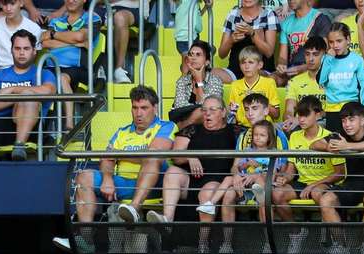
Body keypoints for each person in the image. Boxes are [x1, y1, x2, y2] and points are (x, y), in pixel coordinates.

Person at [72, 85, 174, 235]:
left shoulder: (166, 126)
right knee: (83, 177)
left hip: (156, 185)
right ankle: (85, 239)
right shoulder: (122, 132)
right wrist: (107, 179)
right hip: (125, 183)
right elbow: (106, 158)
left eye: (144, 108)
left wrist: (117, 153)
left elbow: (153, 153)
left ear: (155, 108)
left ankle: (134, 207)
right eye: (135, 108)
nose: (139, 113)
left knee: (151, 158)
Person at [0, 29, 56, 162]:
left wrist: (12, 90)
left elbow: (49, 91)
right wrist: (16, 98)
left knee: (28, 95)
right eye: (17, 48)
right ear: (11, 50)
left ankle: (19, 146)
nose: (22, 52)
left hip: (31, 126)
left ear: (34, 51)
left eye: (26, 48)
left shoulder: (44, 73)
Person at [150, 95, 239, 225]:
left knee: (208, 190)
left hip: (217, 180)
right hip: (191, 179)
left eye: (212, 110)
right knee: (172, 171)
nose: (207, 113)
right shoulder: (192, 129)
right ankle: (166, 220)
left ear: (223, 112)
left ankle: (203, 243)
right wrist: (190, 157)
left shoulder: (235, 131)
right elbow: (176, 155)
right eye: (204, 110)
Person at [273, 96, 346, 230]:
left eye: (306, 115)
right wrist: (285, 178)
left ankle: (336, 241)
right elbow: (291, 168)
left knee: (317, 192)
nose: (301, 119)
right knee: (277, 193)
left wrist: (313, 185)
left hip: (325, 183)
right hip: (303, 182)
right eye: (299, 115)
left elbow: (340, 173)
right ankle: (297, 233)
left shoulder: (331, 136)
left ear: (318, 115)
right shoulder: (294, 136)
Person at [314, 101, 364, 253]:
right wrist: (327, 147)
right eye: (344, 120)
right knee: (326, 200)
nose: (347, 124)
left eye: (351, 119)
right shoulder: (339, 135)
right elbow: (314, 144)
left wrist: (346, 146)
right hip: (352, 183)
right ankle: (340, 246)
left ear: (362, 120)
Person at [41, 0, 100, 129]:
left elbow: (80, 36)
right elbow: (45, 42)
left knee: (62, 78)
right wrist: (74, 43)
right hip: (51, 66)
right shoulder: (56, 21)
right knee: (44, 80)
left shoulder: (92, 18)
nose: (71, 1)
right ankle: (43, 129)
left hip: (78, 67)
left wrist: (54, 35)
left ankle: (69, 124)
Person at [320, 22, 364, 133]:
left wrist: (362, 112)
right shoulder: (327, 59)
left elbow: (363, 88)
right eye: (331, 42)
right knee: (335, 146)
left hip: (352, 110)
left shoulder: (357, 60)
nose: (335, 46)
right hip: (332, 111)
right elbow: (321, 81)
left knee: (352, 146)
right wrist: (328, 59)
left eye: (339, 41)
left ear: (348, 39)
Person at [216, 0, 279, 83]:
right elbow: (222, 54)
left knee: (257, 75)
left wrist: (252, 33)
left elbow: (269, 52)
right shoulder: (233, 14)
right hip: (234, 72)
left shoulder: (268, 15)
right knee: (211, 74)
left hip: (261, 71)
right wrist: (231, 40)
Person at [274, 0, 332, 87]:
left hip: (315, 70)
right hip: (293, 69)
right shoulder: (286, 22)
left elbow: (327, 55)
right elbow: (282, 57)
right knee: (272, 80)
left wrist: (304, 68)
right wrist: (281, 66)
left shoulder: (320, 19)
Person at [169, 40, 224, 130]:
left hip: (206, 127)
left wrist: (199, 82)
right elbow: (179, 107)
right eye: (191, 54)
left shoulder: (215, 81)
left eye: (198, 55)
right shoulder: (182, 81)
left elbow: (210, 109)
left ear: (207, 62)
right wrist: (198, 112)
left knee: (203, 111)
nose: (193, 58)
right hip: (187, 128)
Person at [282, 36, 328, 132]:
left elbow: (332, 111)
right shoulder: (294, 81)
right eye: (307, 54)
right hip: (298, 123)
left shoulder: (332, 80)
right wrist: (289, 120)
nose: (310, 59)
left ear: (324, 55)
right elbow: (289, 110)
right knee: (270, 129)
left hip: (321, 122)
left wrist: (303, 120)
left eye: (315, 54)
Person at [228, 46, 280, 128]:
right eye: (243, 62)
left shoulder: (269, 83)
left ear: (260, 65)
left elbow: (276, 114)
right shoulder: (235, 85)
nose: (246, 66)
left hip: (264, 127)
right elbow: (233, 114)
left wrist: (258, 99)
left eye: (251, 62)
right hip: (242, 128)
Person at [0, 0, 41, 72]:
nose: (8, 8)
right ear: (1, 5)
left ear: (21, 3)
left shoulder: (34, 28)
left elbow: (33, 59)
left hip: (25, 72)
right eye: (4, 4)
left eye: (12, 4)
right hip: (1, 71)